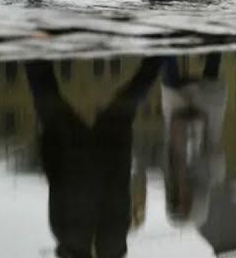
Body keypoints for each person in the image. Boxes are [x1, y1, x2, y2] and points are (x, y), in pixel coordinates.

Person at [26, 56, 161, 258]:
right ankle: (34, 47)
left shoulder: (114, 246)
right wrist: (47, 143)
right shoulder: (65, 236)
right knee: (45, 94)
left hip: (110, 154)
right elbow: (56, 182)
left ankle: (161, 57)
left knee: (130, 98)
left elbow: (121, 197)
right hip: (72, 156)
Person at [159, 54, 227, 228]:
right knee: (211, 72)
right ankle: (216, 39)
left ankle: (166, 43)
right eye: (185, 202)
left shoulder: (170, 177)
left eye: (177, 201)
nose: (181, 196)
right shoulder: (213, 174)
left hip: (179, 111)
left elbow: (176, 127)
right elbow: (199, 123)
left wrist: (180, 179)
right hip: (206, 105)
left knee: (169, 79)